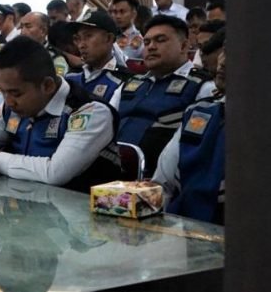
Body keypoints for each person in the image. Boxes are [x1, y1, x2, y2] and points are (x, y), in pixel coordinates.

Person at [0, 36, 120, 192]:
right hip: (25, 205)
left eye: (16, 93)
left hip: (83, 212)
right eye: (3, 92)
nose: (8, 101)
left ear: (47, 86)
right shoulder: (12, 109)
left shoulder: (91, 112)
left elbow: (55, 173)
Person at [114, 15, 215, 176]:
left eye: (160, 40)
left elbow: (198, 148)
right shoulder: (129, 84)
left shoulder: (203, 87)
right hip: (111, 173)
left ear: (184, 46)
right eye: (147, 42)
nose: (151, 47)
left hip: (159, 179)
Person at [153, 41, 226, 224]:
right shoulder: (199, 111)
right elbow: (162, 184)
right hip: (182, 225)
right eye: (225, 52)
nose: (223, 62)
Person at [65, 11, 131, 103]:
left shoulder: (124, 80)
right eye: (78, 39)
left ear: (109, 38)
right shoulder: (69, 77)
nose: (81, 45)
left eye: (88, 36)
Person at [19, 12, 70, 76]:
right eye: (21, 27)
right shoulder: (15, 52)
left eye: (28, 27)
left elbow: (57, 79)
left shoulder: (55, 58)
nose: (22, 32)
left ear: (43, 31)